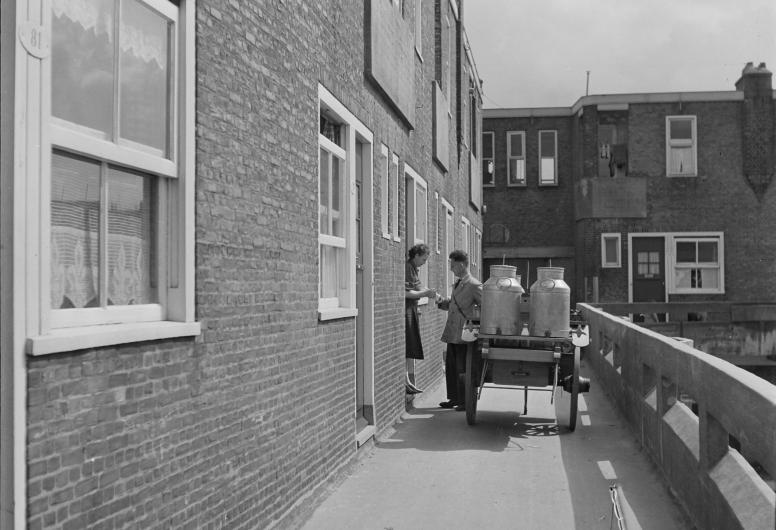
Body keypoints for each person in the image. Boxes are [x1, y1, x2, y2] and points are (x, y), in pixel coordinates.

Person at [436, 250, 482, 410]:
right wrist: (442, 302)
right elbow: (455, 304)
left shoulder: (474, 284)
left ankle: (464, 401)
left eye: (453, 265)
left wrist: (475, 323)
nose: (451, 268)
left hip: (464, 332)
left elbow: (486, 306)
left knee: (463, 368)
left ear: (461, 265)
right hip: (452, 331)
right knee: (451, 366)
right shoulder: (459, 282)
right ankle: (454, 398)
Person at [405, 243, 436, 394]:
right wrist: (425, 294)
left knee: (410, 346)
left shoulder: (414, 269)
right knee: (408, 346)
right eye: (423, 259)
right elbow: (406, 293)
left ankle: (407, 380)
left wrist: (431, 293)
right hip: (407, 310)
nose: (424, 263)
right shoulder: (407, 268)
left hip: (412, 310)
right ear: (416, 255)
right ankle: (406, 381)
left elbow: (418, 287)